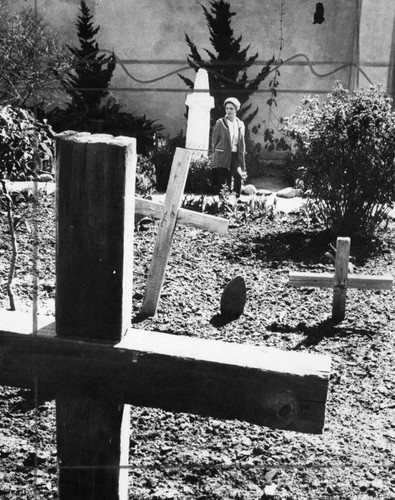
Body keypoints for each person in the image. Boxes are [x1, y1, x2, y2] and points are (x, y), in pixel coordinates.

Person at [211, 97, 247, 197]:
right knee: (222, 179)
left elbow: (242, 141)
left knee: (238, 175)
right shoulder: (220, 123)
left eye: (231, 108)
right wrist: (214, 155)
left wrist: (242, 153)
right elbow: (214, 140)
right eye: (227, 108)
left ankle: (236, 198)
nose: (229, 111)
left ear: (236, 110)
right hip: (223, 154)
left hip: (236, 155)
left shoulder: (240, 124)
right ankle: (222, 201)